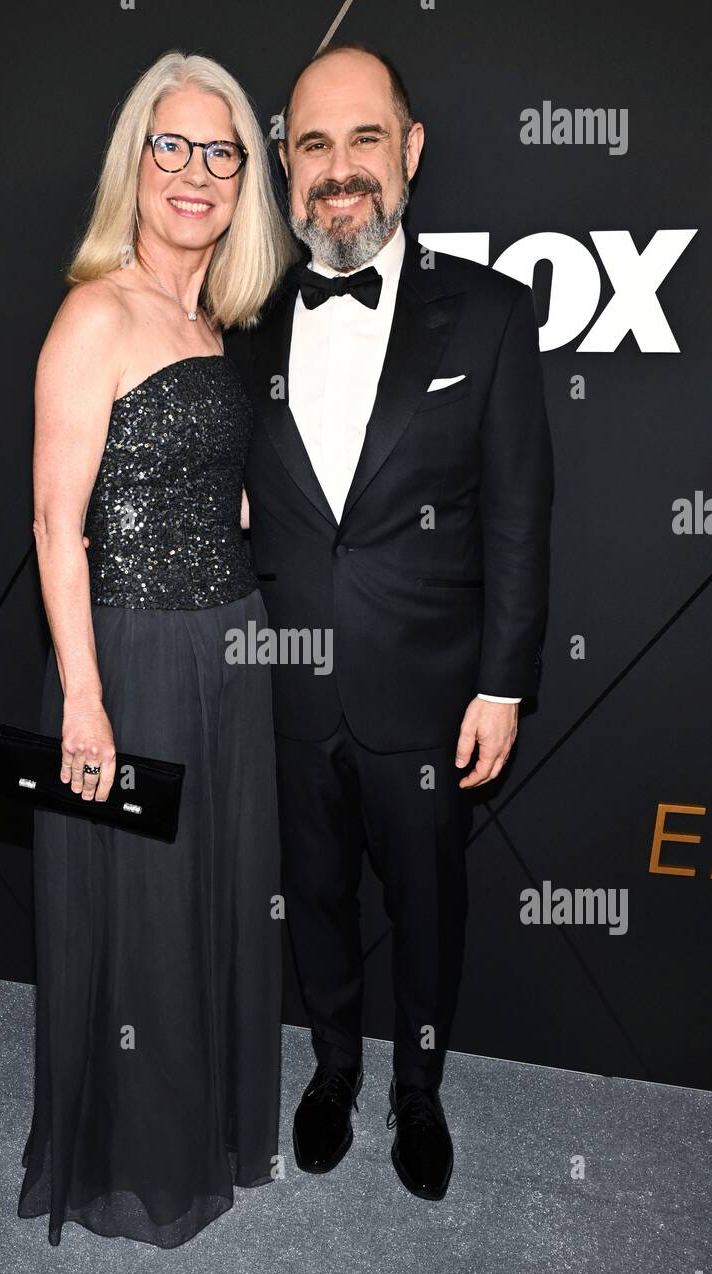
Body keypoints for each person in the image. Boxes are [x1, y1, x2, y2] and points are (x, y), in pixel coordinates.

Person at [224, 42, 554, 1201]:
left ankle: (419, 1090)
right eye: (313, 143)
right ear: (284, 161)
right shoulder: (242, 317)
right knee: (309, 898)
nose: (339, 169)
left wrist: (503, 685)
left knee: (426, 913)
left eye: (365, 138)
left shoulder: (490, 316)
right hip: (283, 687)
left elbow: (517, 518)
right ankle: (329, 1072)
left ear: (409, 152)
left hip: (427, 695)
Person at [17, 50, 297, 1248]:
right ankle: (137, 1155)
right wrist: (83, 699)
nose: (194, 173)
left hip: (227, 653)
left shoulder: (212, 320)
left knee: (215, 900)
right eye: (170, 147)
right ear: (135, 164)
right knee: (138, 914)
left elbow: (207, 488)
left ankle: (211, 1128)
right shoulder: (94, 310)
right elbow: (53, 521)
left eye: (218, 152)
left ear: (243, 182)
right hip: (128, 658)